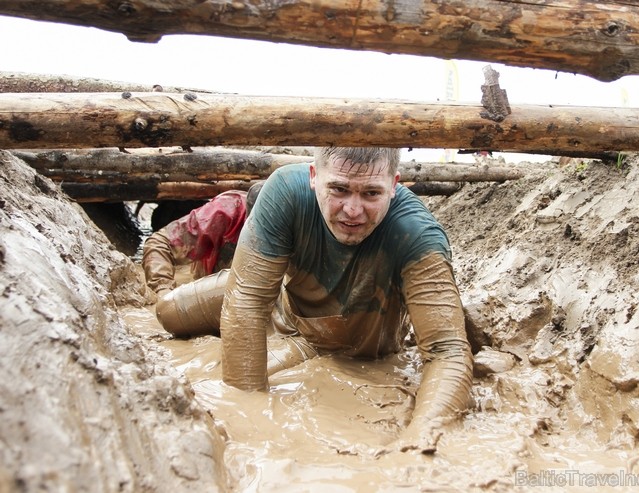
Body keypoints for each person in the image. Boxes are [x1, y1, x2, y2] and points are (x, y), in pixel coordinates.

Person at [219, 146, 473, 454]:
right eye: (339, 189)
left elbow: (446, 350)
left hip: (341, 346)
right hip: (283, 306)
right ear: (314, 177)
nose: (353, 210)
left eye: (371, 194)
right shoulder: (285, 191)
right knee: (169, 312)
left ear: (394, 186)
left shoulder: (416, 234)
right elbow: (245, 301)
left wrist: (421, 439)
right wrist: (248, 415)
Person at [141, 183, 263, 298]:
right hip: (212, 291)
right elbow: (159, 243)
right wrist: (164, 290)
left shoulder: (281, 221)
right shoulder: (222, 213)